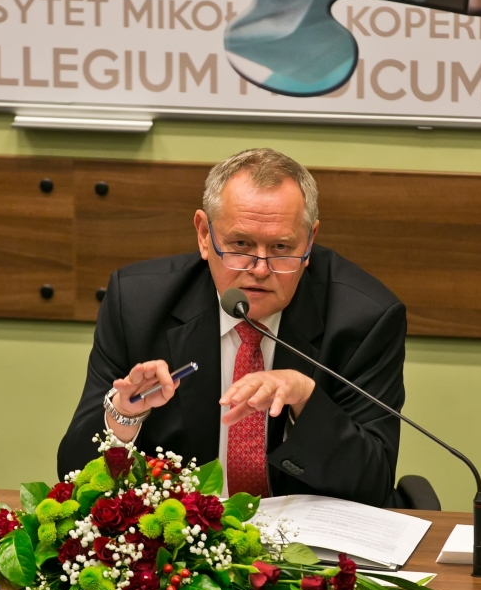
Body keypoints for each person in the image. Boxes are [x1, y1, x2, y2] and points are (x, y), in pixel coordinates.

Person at [58, 148, 406, 506]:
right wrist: (125, 416)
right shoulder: (137, 306)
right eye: (241, 244)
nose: (260, 268)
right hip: (185, 532)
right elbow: (72, 476)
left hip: (310, 535)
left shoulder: (364, 319)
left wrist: (307, 401)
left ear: (309, 241)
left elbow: (374, 488)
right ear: (204, 235)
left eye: (281, 247)